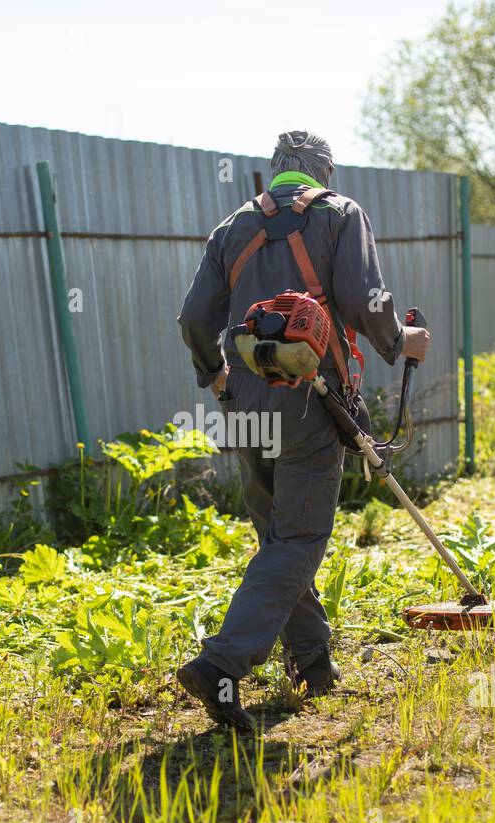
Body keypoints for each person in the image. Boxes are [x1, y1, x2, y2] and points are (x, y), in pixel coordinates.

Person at [174, 130, 431, 730]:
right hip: (309, 404)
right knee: (298, 541)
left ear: (274, 173)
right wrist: (402, 341)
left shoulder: (231, 228)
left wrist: (214, 376)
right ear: (322, 173)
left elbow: (192, 318)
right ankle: (220, 666)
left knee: (279, 540)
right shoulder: (339, 215)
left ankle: (312, 666)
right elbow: (367, 303)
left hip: (245, 405)